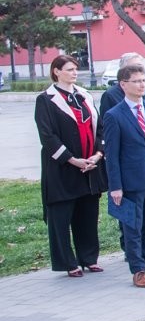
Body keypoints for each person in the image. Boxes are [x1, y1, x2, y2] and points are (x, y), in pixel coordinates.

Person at [35, 55, 106, 278]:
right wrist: (72, 159)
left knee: (87, 213)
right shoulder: (46, 100)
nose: (74, 73)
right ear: (56, 71)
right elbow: (47, 136)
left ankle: (89, 257)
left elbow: (100, 127)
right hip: (62, 168)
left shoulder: (84, 95)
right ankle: (67, 262)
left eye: (75, 69)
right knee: (61, 217)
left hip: (89, 167)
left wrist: (97, 155)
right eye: (69, 69)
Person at [102, 63, 145, 288]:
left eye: (144, 80)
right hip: (130, 180)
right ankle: (138, 269)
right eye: (137, 81)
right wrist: (115, 186)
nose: (142, 85)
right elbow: (112, 154)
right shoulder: (114, 115)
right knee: (133, 226)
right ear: (123, 84)